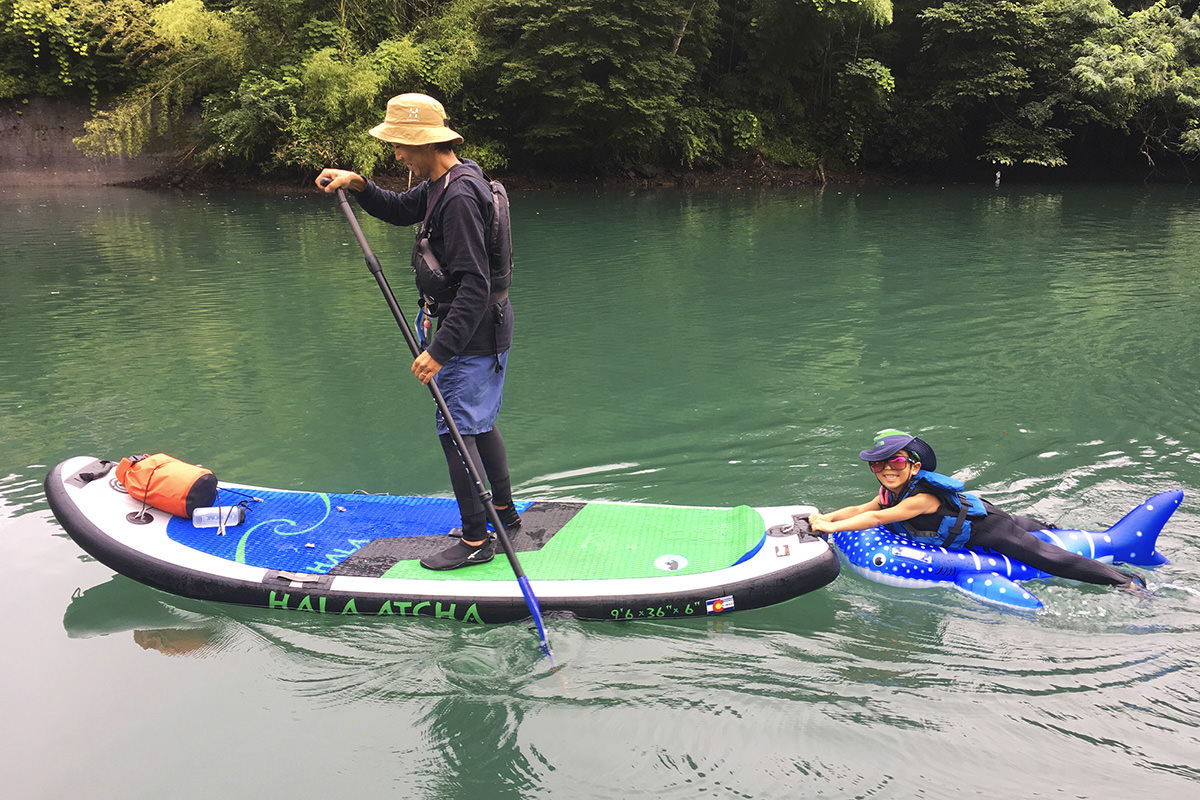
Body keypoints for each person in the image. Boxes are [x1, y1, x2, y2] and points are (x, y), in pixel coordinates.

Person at [316, 93, 519, 571]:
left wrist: (440, 351)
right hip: (482, 330)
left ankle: (475, 540)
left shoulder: (459, 198)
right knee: (478, 422)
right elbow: (400, 208)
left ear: (423, 142)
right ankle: (504, 514)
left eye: (400, 146)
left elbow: (475, 283)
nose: (396, 154)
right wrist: (360, 184)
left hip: (467, 334)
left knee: (455, 430)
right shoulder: (446, 180)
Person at [808, 429, 1146, 590]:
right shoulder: (890, 490)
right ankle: (1052, 527)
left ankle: (1128, 582)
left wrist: (831, 530)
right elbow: (861, 508)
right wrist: (824, 517)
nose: (886, 470)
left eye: (895, 461)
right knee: (1029, 524)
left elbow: (879, 519)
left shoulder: (923, 497)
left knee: (1047, 556)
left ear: (914, 466)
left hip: (992, 529)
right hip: (977, 517)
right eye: (878, 465)